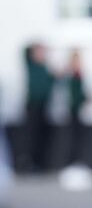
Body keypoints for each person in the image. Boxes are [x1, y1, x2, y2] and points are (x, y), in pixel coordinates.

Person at [22, 41, 55, 173]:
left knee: (43, 135)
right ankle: (30, 162)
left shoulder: (45, 68)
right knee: (32, 135)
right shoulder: (31, 65)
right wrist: (37, 46)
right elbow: (24, 50)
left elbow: (51, 83)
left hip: (44, 105)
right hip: (33, 105)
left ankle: (40, 163)